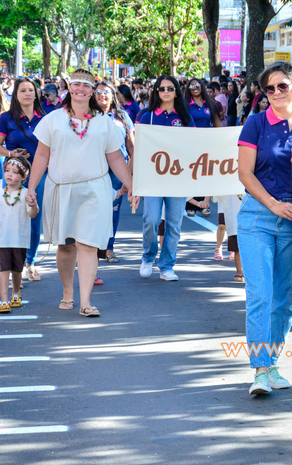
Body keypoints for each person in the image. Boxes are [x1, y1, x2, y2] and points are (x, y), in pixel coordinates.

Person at [236, 61, 292, 395]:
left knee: (286, 301)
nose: (276, 93)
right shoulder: (255, 124)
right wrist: (273, 204)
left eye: (283, 86)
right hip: (258, 217)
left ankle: (272, 363)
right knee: (260, 293)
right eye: (269, 88)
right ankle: (260, 370)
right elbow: (245, 174)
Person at [27, 69, 134, 318]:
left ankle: (86, 301)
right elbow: (42, 155)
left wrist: (129, 184)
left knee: (88, 244)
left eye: (86, 86)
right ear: (69, 88)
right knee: (66, 246)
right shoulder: (53, 119)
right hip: (60, 187)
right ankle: (67, 292)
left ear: (93, 90)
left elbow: (115, 156)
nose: (80, 90)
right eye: (76, 85)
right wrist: (31, 187)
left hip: (95, 189)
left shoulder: (104, 122)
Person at [137, 74, 196, 282]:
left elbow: (194, 144)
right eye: (162, 89)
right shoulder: (147, 116)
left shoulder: (185, 116)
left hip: (177, 177)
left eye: (170, 89)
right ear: (156, 92)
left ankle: (167, 265)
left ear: (176, 91)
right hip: (153, 177)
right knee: (151, 220)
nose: (166, 92)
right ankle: (148, 257)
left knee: (174, 224)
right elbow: (140, 148)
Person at [0, 77, 46, 282]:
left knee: (33, 217)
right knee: (9, 220)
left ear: (36, 93)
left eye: (31, 90)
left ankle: (30, 263)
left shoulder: (45, 117)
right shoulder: (6, 118)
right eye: (22, 91)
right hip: (12, 177)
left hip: (40, 175)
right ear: (15, 94)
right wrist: (10, 153)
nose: (27, 94)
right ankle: (9, 267)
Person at [94, 80, 135, 266]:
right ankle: (91, 249)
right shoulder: (88, 116)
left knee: (113, 210)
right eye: (98, 92)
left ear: (113, 96)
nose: (102, 95)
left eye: (106, 92)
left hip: (118, 171)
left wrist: (131, 174)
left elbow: (132, 146)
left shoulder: (123, 116)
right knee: (93, 210)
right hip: (94, 170)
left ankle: (108, 248)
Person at [0, 157, 38, 313]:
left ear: (24, 177)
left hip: (20, 240)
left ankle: (16, 293)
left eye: (15, 172)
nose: (10, 174)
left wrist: (33, 204)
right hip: (2, 240)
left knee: (17, 270)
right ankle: (3, 300)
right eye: (7, 171)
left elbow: (33, 214)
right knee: (3, 269)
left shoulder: (25, 195)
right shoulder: (1, 193)